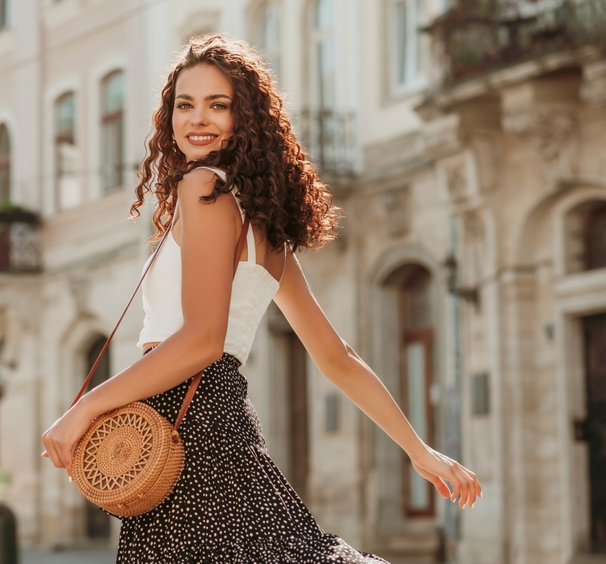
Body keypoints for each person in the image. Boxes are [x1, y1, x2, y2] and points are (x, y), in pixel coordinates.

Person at [41, 34, 483, 562]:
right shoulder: (264, 227)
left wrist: (83, 408)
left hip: (183, 424)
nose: (197, 119)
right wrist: (420, 450)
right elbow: (337, 358)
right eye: (185, 104)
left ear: (244, 117)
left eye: (218, 105)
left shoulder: (203, 188)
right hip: (223, 418)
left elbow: (202, 338)